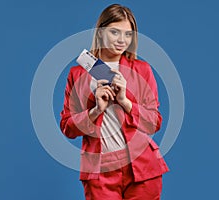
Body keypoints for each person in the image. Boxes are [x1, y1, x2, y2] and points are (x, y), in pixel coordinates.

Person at [60, 4, 169, 200]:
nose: (122, 40)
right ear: (100, 32)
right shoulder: (78, 74)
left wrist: (125, 101)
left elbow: (154, 123)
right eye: (114, 32)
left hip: (142, 168)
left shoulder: (142, 70)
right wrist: (95, 110)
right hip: (100, 171)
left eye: (128, 34)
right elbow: (67, 127)